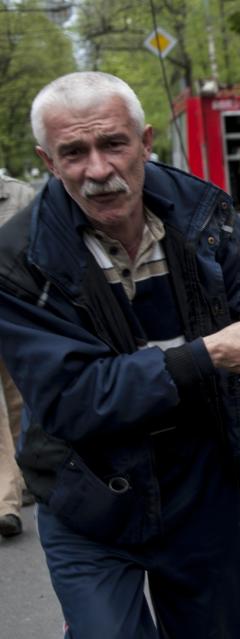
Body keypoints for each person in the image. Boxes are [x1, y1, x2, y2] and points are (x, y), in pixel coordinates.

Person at [0, 71, 240, 638]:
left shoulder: (202, 214)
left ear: (146, 140)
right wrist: (205, 354)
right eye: (74, 152)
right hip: (89, 496)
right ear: (47, 159)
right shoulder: (17, 260)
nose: (99, 170)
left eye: (113, 143)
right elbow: (73, 399)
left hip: (201, 489)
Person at [0, 174, 36, 539]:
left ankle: (24, 477)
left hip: (15, 319)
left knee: (19, 404)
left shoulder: (22, 195)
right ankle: (5, 502)